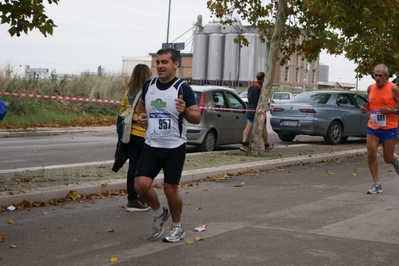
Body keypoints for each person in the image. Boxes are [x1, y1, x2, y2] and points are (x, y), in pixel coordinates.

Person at [135, 48, 201, 242]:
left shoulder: (182, 88)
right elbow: (142, 104)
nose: (160, 66)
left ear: (175, 64)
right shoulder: (149, 86)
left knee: (170, 190)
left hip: (174, 146)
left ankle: (178, 226)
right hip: (152, 144)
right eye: (158, 63)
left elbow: (197, 117)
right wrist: (142, 116)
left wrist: (185, 111)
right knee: (140, 185)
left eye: (164, 62)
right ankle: (159, 212)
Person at [360, 64, 399, 194]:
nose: (377, 78)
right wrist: (364, 109)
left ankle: (395, 160)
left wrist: (393, 111)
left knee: (387, 158)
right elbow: (370, 106)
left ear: (386, 76)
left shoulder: (393, 89)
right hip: (373, 126)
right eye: (375, 75)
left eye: (380, 76)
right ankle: (376, 184)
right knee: (371, 153)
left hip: (389, 127)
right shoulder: (370, 88)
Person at [118, 64, 152, 211]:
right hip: (142, 134)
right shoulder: (148, 92)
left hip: (129, 135)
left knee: (133, 166)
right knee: (143, 169)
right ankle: (135, 199)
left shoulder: (129, 92)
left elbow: (122, 111)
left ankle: (134, 197)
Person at [240, 71, 274, 152]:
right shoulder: (261, 87)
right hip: (259, 110)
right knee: (263, 127)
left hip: (250, 109)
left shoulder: (251, 86)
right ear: (263, 78)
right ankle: (266, 144)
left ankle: (244, 143)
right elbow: (261, 99)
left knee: (248, 126)